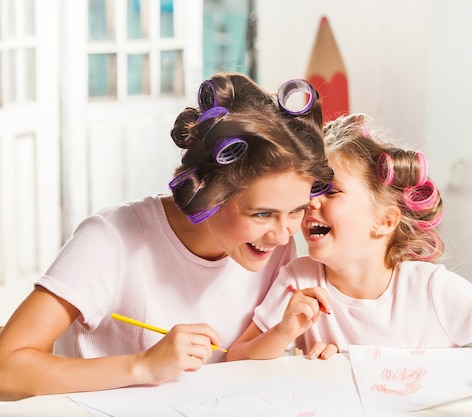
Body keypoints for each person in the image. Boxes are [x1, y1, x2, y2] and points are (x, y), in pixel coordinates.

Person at [0, 72, 333, 401]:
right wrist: (143, 366)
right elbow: (6, 369)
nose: (281, 234)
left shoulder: (275, 247)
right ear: (211, 193)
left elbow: (243, 366)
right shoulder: (110, 240)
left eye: (296, 211)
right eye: (262, 214)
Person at [227, 113, 472, 398]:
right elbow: (236, 360)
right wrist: (284, 331)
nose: (311, 201)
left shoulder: (430, 288)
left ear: (383, 221)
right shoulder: (298, 279)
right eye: (313, 189)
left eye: (331, 191)